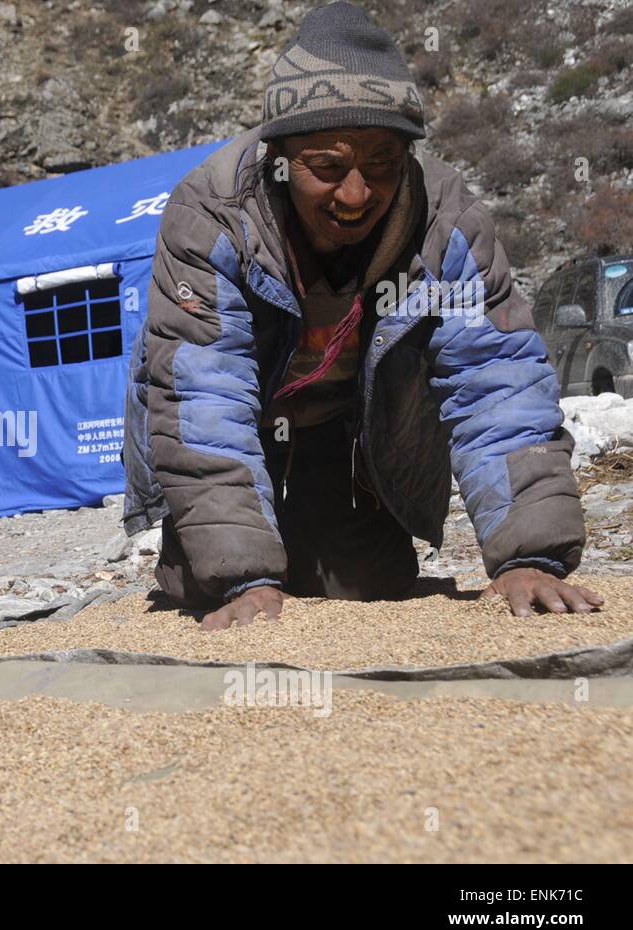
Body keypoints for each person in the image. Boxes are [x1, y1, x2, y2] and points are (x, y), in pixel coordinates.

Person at [123, 1, 600, 630]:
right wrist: (242, 576)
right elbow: (206, 393)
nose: (356, 195)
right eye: (327, 167)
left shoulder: (445, 221)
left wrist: (529, 555)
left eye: (381, 165)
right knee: (216, 585)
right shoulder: (212, 214)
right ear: (281, 158)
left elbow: (496, 383)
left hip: (347, 422)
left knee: (367, 584)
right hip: (246, 415)